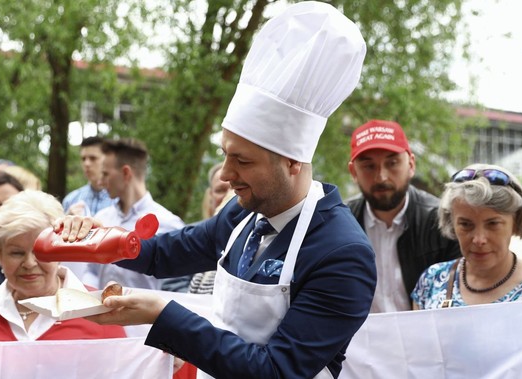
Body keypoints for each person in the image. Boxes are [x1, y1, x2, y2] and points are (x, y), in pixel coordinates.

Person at [60, 3, 376, 378]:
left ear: (292, 162)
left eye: (242, 161)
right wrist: (98, 239)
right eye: (225, 155)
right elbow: (165, 253)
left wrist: (164, 316)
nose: (226, 175)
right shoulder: (244, 214)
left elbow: (276, 371)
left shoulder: (342, 254)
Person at [0, 190, 127, 341]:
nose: (29, 263)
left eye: (40, 252)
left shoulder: (98, 310)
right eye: (16, 253)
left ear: (61, 252)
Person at [347, 119, 461, 313]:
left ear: (411, 165)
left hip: (425, 336)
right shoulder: (339, 224)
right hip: (360, 340)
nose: (381, 177)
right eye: (369, 166)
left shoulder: (442, 221)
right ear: (353, 171)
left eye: (392, 163)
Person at [412, 164, 522, 309]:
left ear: (515, 223)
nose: (479, 239)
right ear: (451, 222)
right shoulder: (431, 281)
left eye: (492, 224)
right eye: (466, 225)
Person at [85, 137, 186, 290]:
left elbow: (176, 287)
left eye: (105, 174)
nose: (100, 182)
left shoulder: (169, 225)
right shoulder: (101, 219)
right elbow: (91, 271)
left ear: (126, 173)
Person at [188, 163, 232, 295]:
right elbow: (173, 282)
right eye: (221, 190)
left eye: (234, 189)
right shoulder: (191, 233)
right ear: (210, 195)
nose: (229, 196)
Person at [62, 136, 114, 217]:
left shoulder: (120, 201)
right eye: (83, 159)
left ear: (107, 160)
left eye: (93, 158)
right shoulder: (71, 200)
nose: (86, 164)